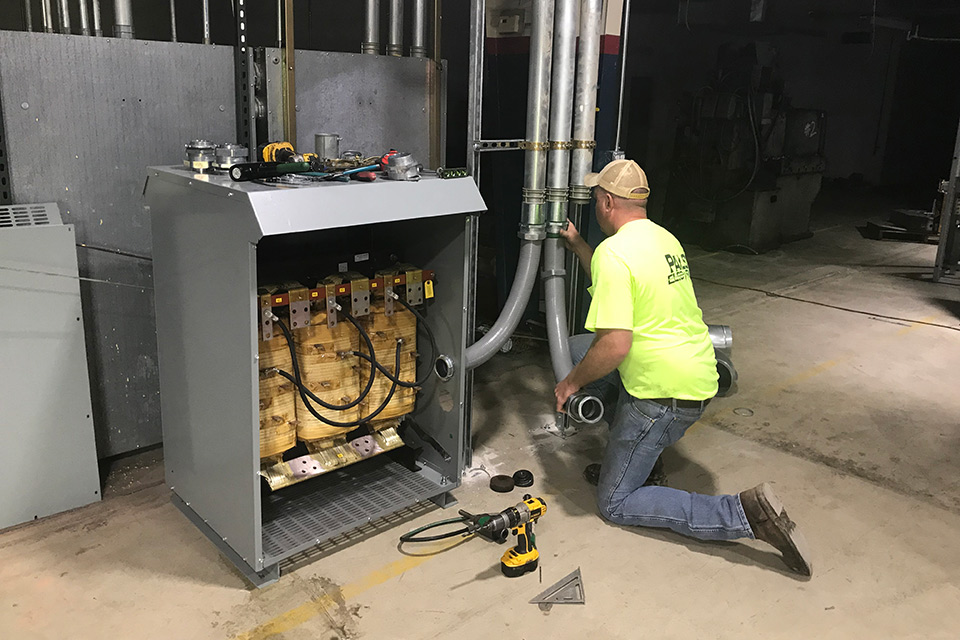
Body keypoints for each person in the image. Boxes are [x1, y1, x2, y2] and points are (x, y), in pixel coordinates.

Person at [554, 159, 812, 576]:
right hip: (696, 375)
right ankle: (639, 454)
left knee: (615, 502)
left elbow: (616, 344)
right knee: (582, 346)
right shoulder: (663, 240)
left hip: (663, 396)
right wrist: (579, 244)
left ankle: (744, 516)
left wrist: (570, 383)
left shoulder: (615, 252)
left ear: (605, 202)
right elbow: (617, 285)